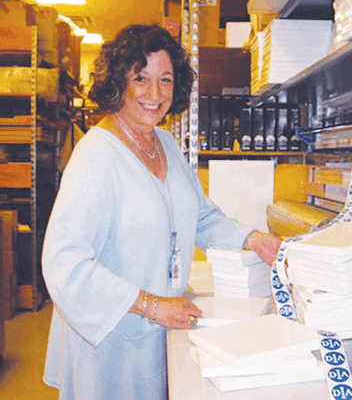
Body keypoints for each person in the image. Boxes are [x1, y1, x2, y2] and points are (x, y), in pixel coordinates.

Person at [42, 23, 281, 400]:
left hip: (158, 329)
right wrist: (152, 306)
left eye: (166, 80)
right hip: (110, 341)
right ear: (119, 82)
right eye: (141, 79)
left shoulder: (165, 144)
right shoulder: (96, 157)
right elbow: (63, 265)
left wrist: (253, 239)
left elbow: (198, 215)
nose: (155, 94)